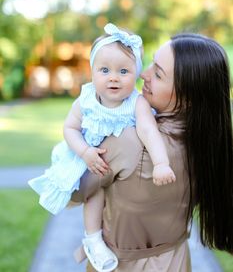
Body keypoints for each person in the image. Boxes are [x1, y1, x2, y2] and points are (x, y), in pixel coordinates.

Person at [72, 32, 233, 271]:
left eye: (157, 73)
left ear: (188, 97)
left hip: (122, 265)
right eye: (151, 64)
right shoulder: (210, 146)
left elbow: (76, 191)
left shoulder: (126, 140)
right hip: (176, 261)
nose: (143, 74)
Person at [28, 23, 176, 272]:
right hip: (87, 156)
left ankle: (114, 236)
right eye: (104, 70)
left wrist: (161, 163)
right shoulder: (86, 99)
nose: (113, 77)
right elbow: (70, 129)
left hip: (121, 168)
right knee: (95, 193)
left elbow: (149, 131)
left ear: (136, 72)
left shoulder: (136, 103)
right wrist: (85, 152)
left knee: (118, 197)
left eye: (124, 71)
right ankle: (92, 239)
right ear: (93, 72)